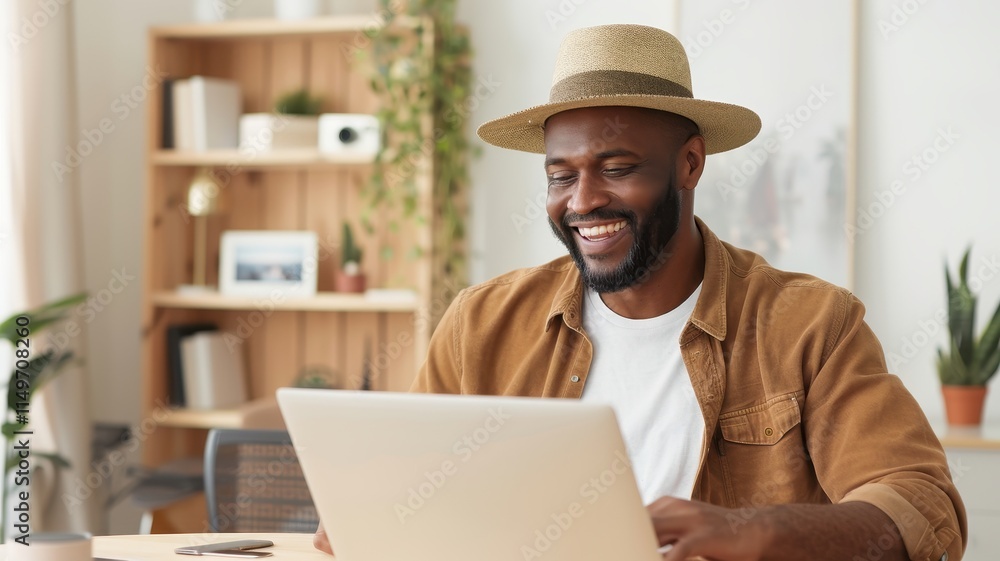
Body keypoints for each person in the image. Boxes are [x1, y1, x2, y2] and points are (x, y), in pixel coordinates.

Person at [315, 23, 965, 561]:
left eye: (617, 168)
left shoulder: (812, 324)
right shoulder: (482, 322)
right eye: (560, 175)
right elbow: (415, 492)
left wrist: (754, 530)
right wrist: (372, 517)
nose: (584, 200)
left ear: (690, 163)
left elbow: (922, 504)